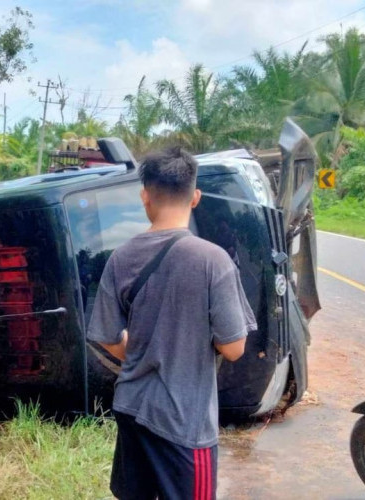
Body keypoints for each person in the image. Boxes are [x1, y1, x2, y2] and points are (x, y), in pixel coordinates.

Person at [87, 147, 256, 500]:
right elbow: (234, 347)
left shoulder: (122, 257)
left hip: (133, 408)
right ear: (195, 198)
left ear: (144, 197)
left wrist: (148, 349)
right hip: (184, 420)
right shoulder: (213, 260)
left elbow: (105, 335)